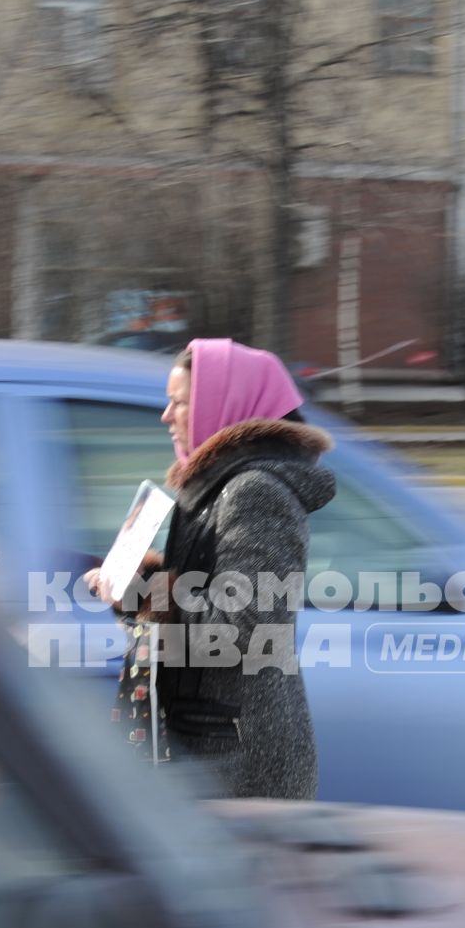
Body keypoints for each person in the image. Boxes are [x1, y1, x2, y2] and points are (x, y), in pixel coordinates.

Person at [89, 338, 336, 799]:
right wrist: (131, 587)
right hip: (206, 751)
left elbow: (248, 628)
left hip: (240, 766)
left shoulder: (254, 493)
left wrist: (147, 593)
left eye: (179, 402)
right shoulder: (211, 490)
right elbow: (194, 606)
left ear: (220, 405)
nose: (166, 415)